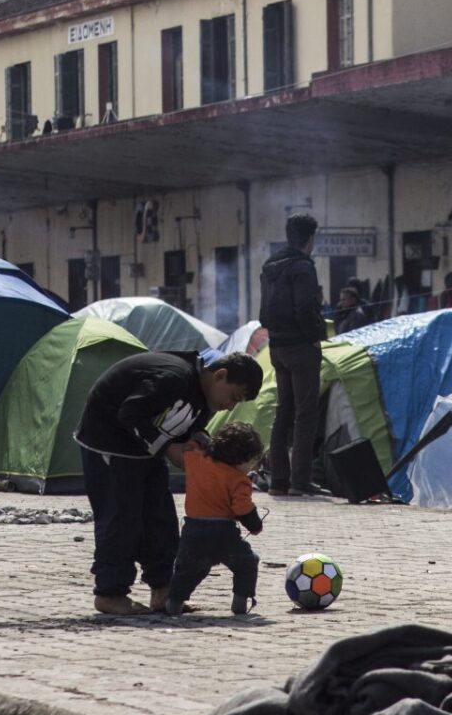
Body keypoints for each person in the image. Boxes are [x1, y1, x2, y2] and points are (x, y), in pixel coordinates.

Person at [75, 347, 262, 616]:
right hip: (109, 444)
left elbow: (190, 422)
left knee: (160, 516)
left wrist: (196, 438)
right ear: (220, 375)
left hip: (143, 450)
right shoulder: (174, 377)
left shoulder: (205, 395)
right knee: (121, 517)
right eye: (233, 397)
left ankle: (163, 590)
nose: (230, 406)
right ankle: (110, 593)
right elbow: (130, 413)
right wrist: (169, 448)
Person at [167, 422, 266, 616]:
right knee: (247, 562)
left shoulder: (196, 461)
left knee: (187, 569)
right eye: (252, 461)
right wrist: (255, 525)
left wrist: (197, 441)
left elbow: (190, 448)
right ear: (242, 459)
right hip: (223, 534)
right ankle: (240, 601)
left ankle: (173, 603)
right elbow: (242, 508)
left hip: (192, 530)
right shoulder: (239, 480)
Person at [261, 213, 328, 496]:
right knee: (306, 414)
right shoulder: (302, 266)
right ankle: (300, 480)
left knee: (283, 413)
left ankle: (278, 480)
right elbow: (304, 306)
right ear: (310, 238)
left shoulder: (270, 264)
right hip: (301, 347)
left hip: (276, 346)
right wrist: (314, 337)